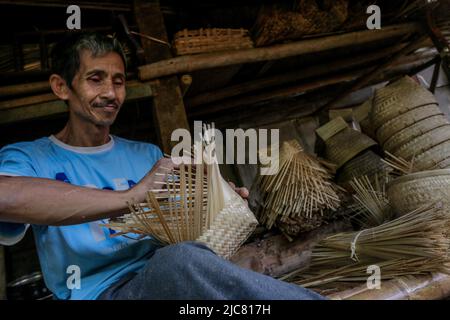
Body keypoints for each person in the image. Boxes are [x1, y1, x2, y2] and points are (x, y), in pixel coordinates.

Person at [0, 32, 324, 300]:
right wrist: (132, 196)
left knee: (186, 261)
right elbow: (6, 197)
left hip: (165, 284)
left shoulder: (145, 155)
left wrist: (217, 206)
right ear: (61, 87)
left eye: (119, 81)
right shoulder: (30, 158)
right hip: (101, 294)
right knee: (179, 261)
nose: (111, 93)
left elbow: (182, 229)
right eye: (95, 79)